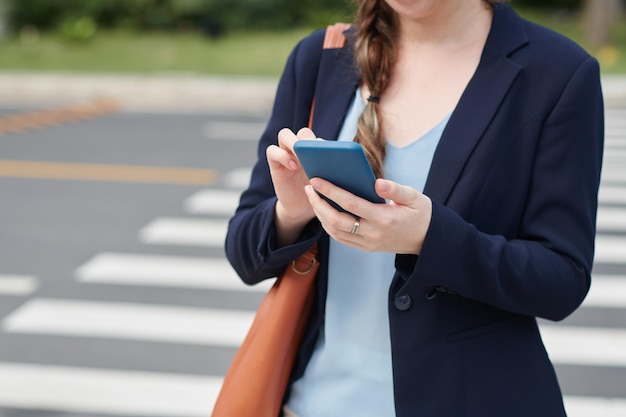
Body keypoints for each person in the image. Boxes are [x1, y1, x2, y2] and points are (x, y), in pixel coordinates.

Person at [225, 0, 604, 416]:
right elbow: (244, 252)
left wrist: (429, 239)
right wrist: (292, 212)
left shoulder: (558, 73)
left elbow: (561, 280)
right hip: (314, 403)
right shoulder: (321, 57)